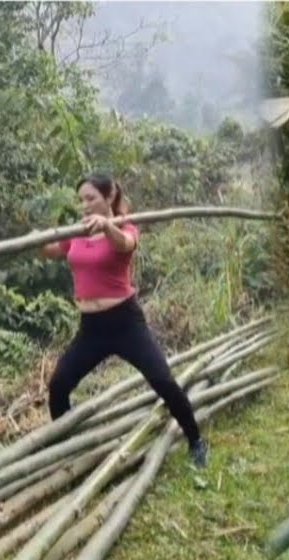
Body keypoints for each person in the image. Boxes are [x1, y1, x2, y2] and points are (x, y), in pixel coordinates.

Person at [40, 172, 208, 468]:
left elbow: (125, 245)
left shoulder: (123, 226)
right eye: (81, 199)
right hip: (91, 328)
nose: (85, 205)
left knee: (162, 380)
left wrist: (107, 226)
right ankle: (67, 449)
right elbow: (53, 252)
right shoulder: (78, 232)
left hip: (125, 323)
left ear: (109, 197)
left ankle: (195, 440)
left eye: (91, 198)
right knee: (59, 385)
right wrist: (37, 240)